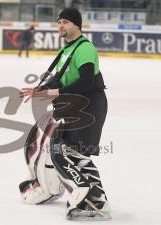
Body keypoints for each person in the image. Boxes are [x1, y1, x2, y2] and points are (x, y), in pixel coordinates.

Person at [20, 7, 110, 220]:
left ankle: (93, 201)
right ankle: (95, 199)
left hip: (89, 106)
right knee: (67, 152)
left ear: (77, 25)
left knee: (70, 153)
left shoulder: (85, 48)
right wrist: (38, 90)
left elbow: (87, 81)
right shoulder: (66, 50)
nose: (61, 25)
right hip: (73, 106)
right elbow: (58, 78)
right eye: (59, 22)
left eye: (66, 22)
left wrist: (54, 92)